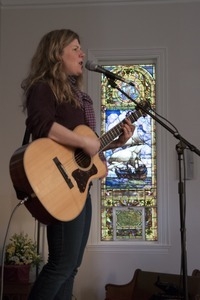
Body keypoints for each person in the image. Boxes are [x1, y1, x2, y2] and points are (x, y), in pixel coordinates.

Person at [21, 29, 135, 300]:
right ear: (56, 53)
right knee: (60, 265)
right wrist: (85, 143)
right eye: (74, 48)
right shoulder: (43, 86)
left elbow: (86, 149)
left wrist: (114, 144)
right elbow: (42, 125)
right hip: (59, 184)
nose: (82, 53)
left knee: (71, 267)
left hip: (79, 187)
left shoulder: (78, 98)